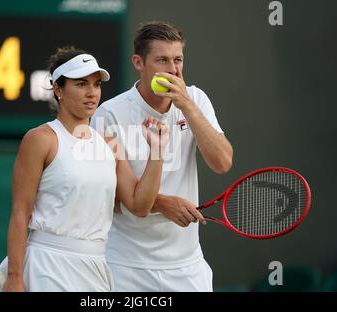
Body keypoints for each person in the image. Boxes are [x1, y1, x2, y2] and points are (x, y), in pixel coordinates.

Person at [0, 46, 169, 292]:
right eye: (81, 84)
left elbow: (139, 205)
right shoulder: (40, 139)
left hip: (96, 268)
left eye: (96, 85)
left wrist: (157, 152)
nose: (92, 93)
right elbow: (20, 212)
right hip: (46, 266)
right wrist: (15, 276)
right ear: (58, 89)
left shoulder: (110, 144)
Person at [90, 21, 233, 292]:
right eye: (162, 60)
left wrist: (186, 106)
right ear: (138, 62)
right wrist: (161, 203)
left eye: (178, 60)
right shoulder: (109, 114)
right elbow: (105, 198)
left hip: (187, 265)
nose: (173, 70)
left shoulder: (196, 100)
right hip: (124, 265)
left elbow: (222, 162)